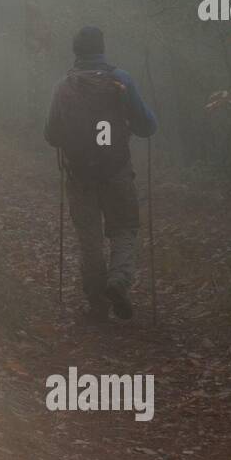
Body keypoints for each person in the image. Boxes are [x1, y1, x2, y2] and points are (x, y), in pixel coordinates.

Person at [43, 26, 158, 321]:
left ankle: (96, 303)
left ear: (76, 51)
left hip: (79, 174)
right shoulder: (121, 79)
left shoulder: (63, 85)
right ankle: (119, 281)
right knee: (124, 229)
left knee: (89, 237)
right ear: (102, 49)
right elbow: (147, 127)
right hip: (117, 170)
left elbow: (52, 135)